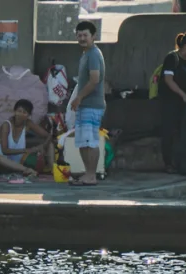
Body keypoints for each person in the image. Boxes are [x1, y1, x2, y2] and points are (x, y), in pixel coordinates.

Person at [69, 20, 106, 186]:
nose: (82, 38)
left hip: (92, 104)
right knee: (83, 141)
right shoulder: (86, 54)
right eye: (79, 35)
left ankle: (91, 175)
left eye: (85, 35)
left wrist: (79, 97)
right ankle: (88, 174)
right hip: (85, 104)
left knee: (90, 141)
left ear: (93, 36)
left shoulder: (93, 54)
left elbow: (94, 80)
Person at [158, 31, 186, 172]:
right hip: (170, 101)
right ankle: (168, 163)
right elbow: (168, 80)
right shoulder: (172, 58)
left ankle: (182, 162)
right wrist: (182, 95)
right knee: (169, 130)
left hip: (185, 102)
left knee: (184, 132)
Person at [0, 99, 51, 178]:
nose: (21, 114)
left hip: (19, 163)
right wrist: (26, 150)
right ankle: (27, 170)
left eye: (24, 112)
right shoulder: (6, 125)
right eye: (19, 111)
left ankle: (52, 170)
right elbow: (5, 151)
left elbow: (48, 135)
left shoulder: (28, 123)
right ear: (14, 111)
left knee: (51, 144)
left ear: (28, 116)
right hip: (2, 164)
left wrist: (43, 147)